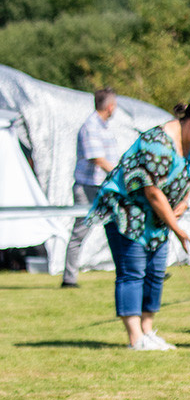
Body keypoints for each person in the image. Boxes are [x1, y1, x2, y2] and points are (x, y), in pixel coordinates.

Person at [86, 98, 190, 351]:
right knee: (132, 273)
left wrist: (184, 202)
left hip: (156, 218)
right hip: (128, 213)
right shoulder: (156, 143)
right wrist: (177, 228)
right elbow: (152, 191)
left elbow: (188, 176)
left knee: (156, 272)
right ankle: (135, 338)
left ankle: (148, 332)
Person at [61, 88, 120, 288]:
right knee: (80, 232)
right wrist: (120, 176)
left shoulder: (103, 127)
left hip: (105, 187)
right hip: (88, 188)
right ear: (110, 106)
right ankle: (69, 279)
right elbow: (98, 159)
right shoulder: (91, 126)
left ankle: (131, 271)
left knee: (121, 228)